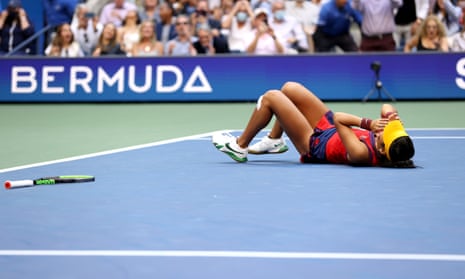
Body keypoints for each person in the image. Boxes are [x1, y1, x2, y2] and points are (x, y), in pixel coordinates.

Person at [212, 81, 415, 168]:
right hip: (329, 130)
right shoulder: (393, 142)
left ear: (380, 148)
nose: (381, 133)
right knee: (290, 88)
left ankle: (240, 146)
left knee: (272, 97)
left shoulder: (363, 155)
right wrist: (392, 120)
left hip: (315, 144)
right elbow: (387, 105)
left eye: (383, 136)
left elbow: (340, 119)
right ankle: (274, 141)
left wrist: (368, 123)